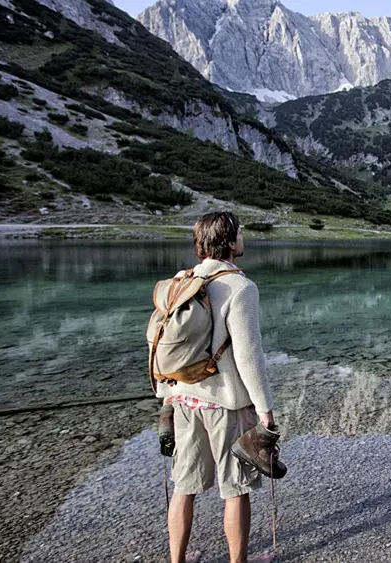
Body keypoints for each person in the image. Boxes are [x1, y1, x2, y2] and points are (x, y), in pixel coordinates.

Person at [156, 211, 275, 563]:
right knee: (236, 488)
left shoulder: (182, 279)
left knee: (184, 486)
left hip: (181, 398)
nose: (244, 239)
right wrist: (266, 411)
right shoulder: (241, 287)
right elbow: (249, 358)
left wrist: (166, 396)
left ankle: (177, 560)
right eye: (241, 233)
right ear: (230, 241)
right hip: (225, 404)